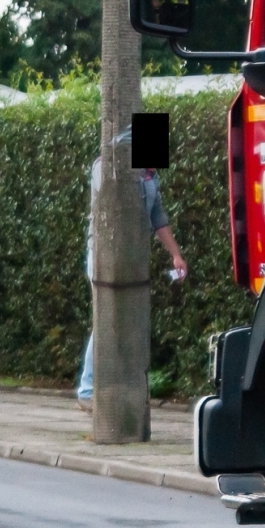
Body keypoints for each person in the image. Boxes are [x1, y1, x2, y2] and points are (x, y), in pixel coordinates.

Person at [77, 146, 188, 410]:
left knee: (128, 318)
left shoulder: (151, 176)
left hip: (134, 254)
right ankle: (87, 390)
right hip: (104, 251)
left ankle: (121, 388)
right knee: (107, 316)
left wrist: (176, 255)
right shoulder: (105, 167)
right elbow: (110, 202)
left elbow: (157, 216)